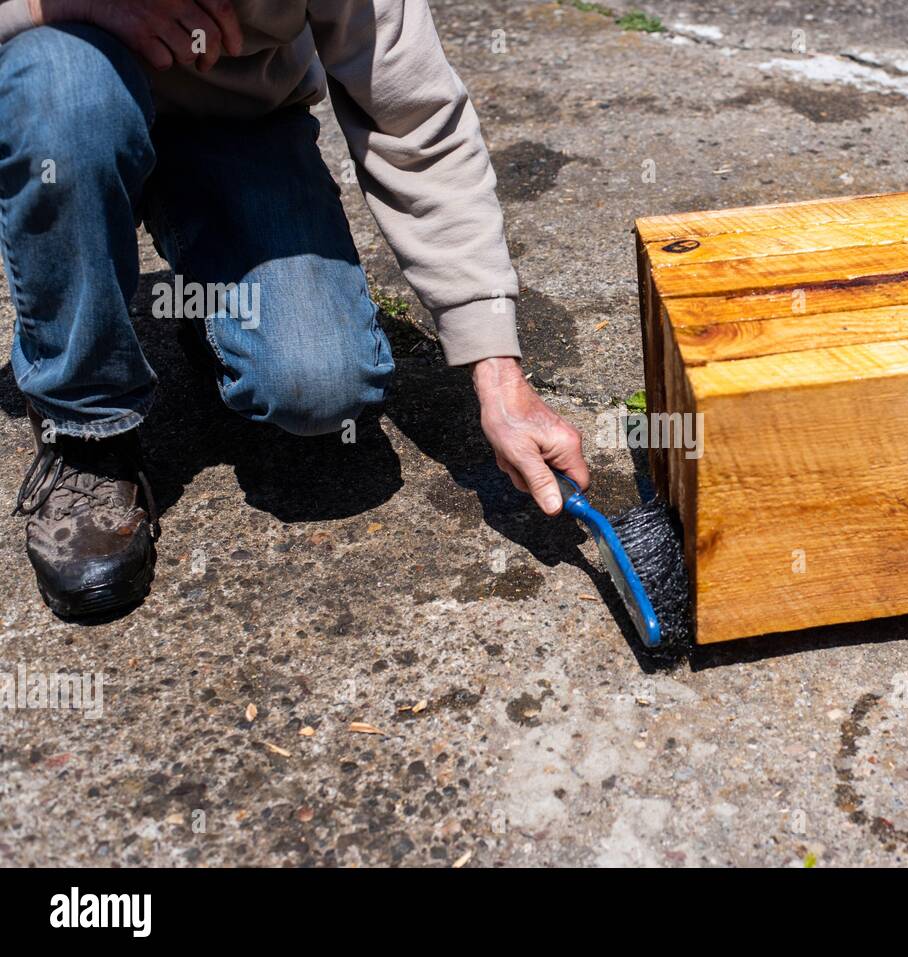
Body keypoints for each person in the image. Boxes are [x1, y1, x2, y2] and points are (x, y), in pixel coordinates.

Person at [0, 0, 590, 617]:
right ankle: (87, 432)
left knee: (318, 385)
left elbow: (417, 126)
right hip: (69, 103)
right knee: (67, 97)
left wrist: (498, 375)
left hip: (234, 128)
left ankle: (208, 300)